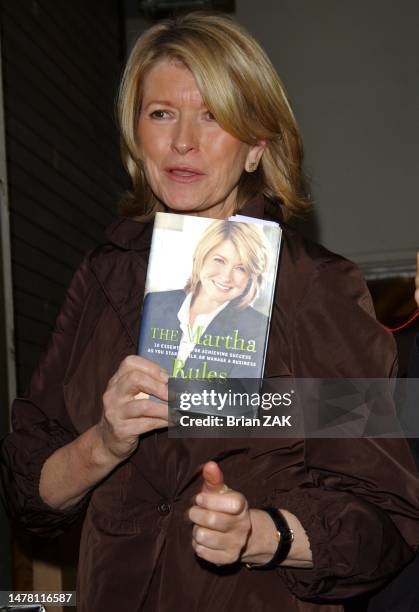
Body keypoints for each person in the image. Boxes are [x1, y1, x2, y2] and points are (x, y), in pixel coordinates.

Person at [1, 13, 419, 612]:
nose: (183, 143)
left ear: (256, 146)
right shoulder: (104, 274)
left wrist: (262, 534)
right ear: (135, 135)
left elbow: (386, 519)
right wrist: (103, 443)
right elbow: (27, 485)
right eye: (161, 113)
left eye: (214, 116)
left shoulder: (314, 288)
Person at [139, 219, 270, 378]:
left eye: (241, 268)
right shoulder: (155, 303)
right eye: (220, 260)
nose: (226, 276)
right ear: (202, 257)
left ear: (251, 277)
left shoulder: (257, 329)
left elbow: (236, 400)